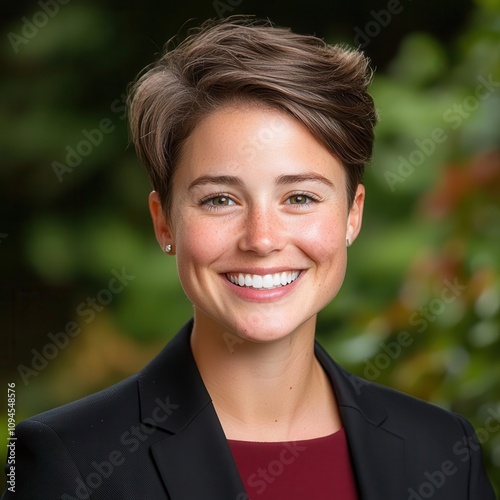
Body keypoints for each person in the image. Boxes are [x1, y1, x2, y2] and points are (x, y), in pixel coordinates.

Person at [2, 16, 495, 500]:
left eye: (300, 198)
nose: (262, 239)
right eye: (220, 199)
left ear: (352, 215)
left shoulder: (444, 451)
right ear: (164, 222)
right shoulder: (67, 462)